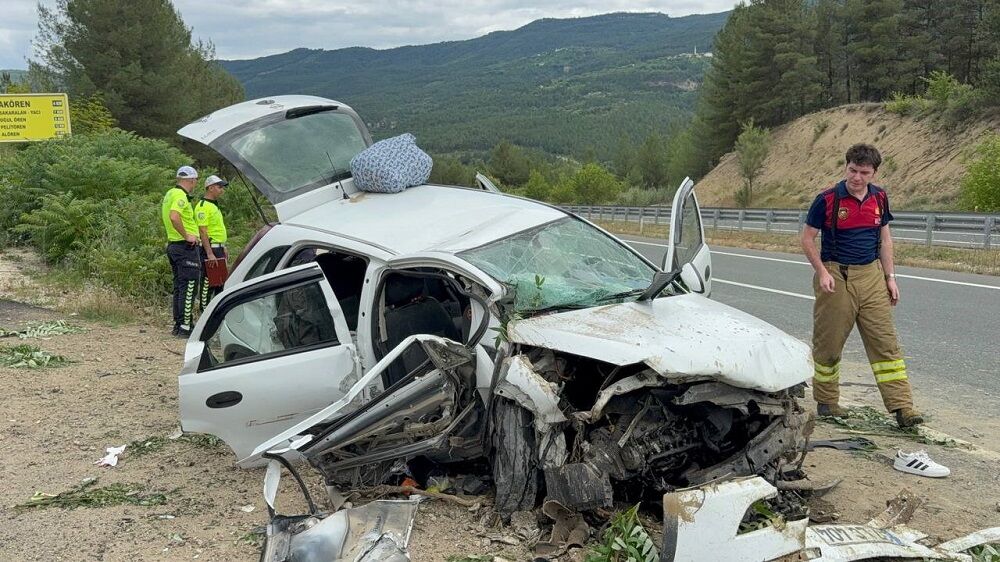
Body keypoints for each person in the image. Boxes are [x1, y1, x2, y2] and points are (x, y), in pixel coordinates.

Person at [801, 143, 923, 428]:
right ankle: (828, 402)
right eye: (852, 170)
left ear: (874, 173)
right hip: (836, 275)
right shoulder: (827, 200)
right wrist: (822, 272)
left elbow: (886, 240)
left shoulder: (879, 197)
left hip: (871, 276)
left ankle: (903, 408)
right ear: (846, 167)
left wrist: (890, 278)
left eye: (863, 172)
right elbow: (807, 239)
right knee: (828, 345)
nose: (856, 177)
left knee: (886, 345)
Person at [162, 165, 201, 337]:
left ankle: (179, 324)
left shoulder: (170, 193)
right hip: (184, 246)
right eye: (195, 181)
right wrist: (187, 236)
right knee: (189, 285)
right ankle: (185, 326)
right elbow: (174, 216)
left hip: (174, 245)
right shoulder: (180, 196)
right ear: (191, 180)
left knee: (179, 285)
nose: (195, 184)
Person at [195, 175, 229, 310]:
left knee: (220, 282)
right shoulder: (203, 206)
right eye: (219, 187)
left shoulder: (214, 206)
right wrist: (209, 253)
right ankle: (204, 310)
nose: (222, 190)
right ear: (210, 188)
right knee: (209, 281)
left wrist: (223, 246)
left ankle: (216, 310)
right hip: (211, 249)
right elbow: (203, 231)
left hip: (219, 248)